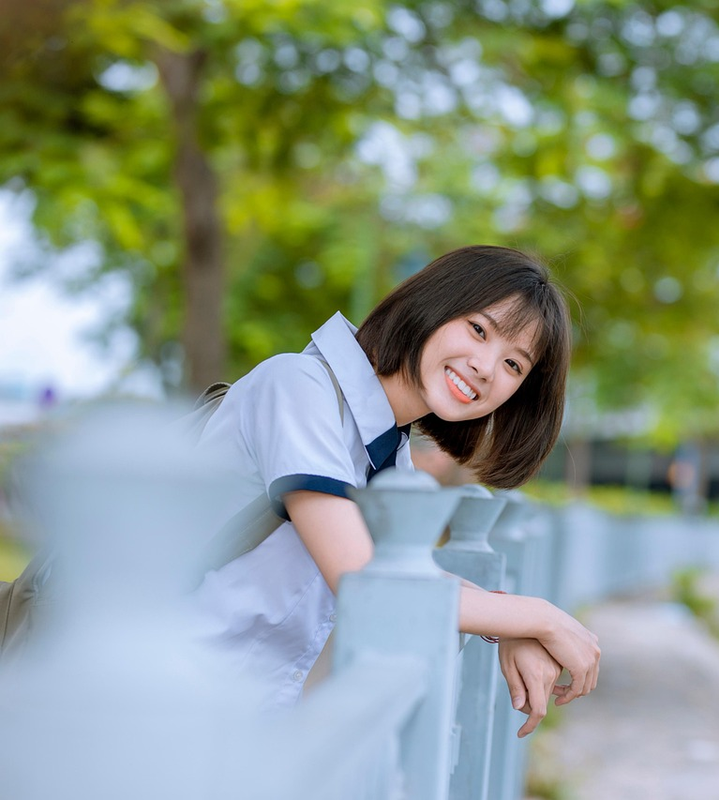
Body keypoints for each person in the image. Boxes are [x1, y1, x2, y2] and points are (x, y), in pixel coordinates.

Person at [189, 245, 599, 737]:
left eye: (514, 365)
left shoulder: (389, 457)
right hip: (157, 709)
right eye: (479, 329)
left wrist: (510, 624)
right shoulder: (299, 388)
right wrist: (535, 617)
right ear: (434, 304)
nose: (487, 367)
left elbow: (406, 576)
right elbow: (364, 579)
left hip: (234, 728)